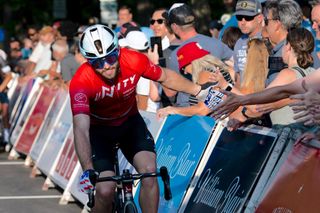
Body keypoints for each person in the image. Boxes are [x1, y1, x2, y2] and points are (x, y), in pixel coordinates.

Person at [69, 24, 206, 213]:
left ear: (117, 50)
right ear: (88, 61)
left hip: (129, 124)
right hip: (99, 132)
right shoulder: (81, 82)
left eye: (110, 57)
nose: (106, 66)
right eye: (97, 62)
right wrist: (87, 169)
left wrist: (199, 91)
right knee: (105, 189)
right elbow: (80, 128)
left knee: (149, 173)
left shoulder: (133, 59)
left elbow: (166, 77)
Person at [213, 27, 316, 126]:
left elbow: (259, 108)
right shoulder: (313, 72)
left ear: (288, 46)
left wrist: (226, 85)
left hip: (289, 136)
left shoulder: (288, 74)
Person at [167, 3, 233, 107]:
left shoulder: (176, 54)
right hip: (218, 106)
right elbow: (237, 67)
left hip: (189, 110)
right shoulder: (216, 43)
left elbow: (170, 93)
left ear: (174, 27)